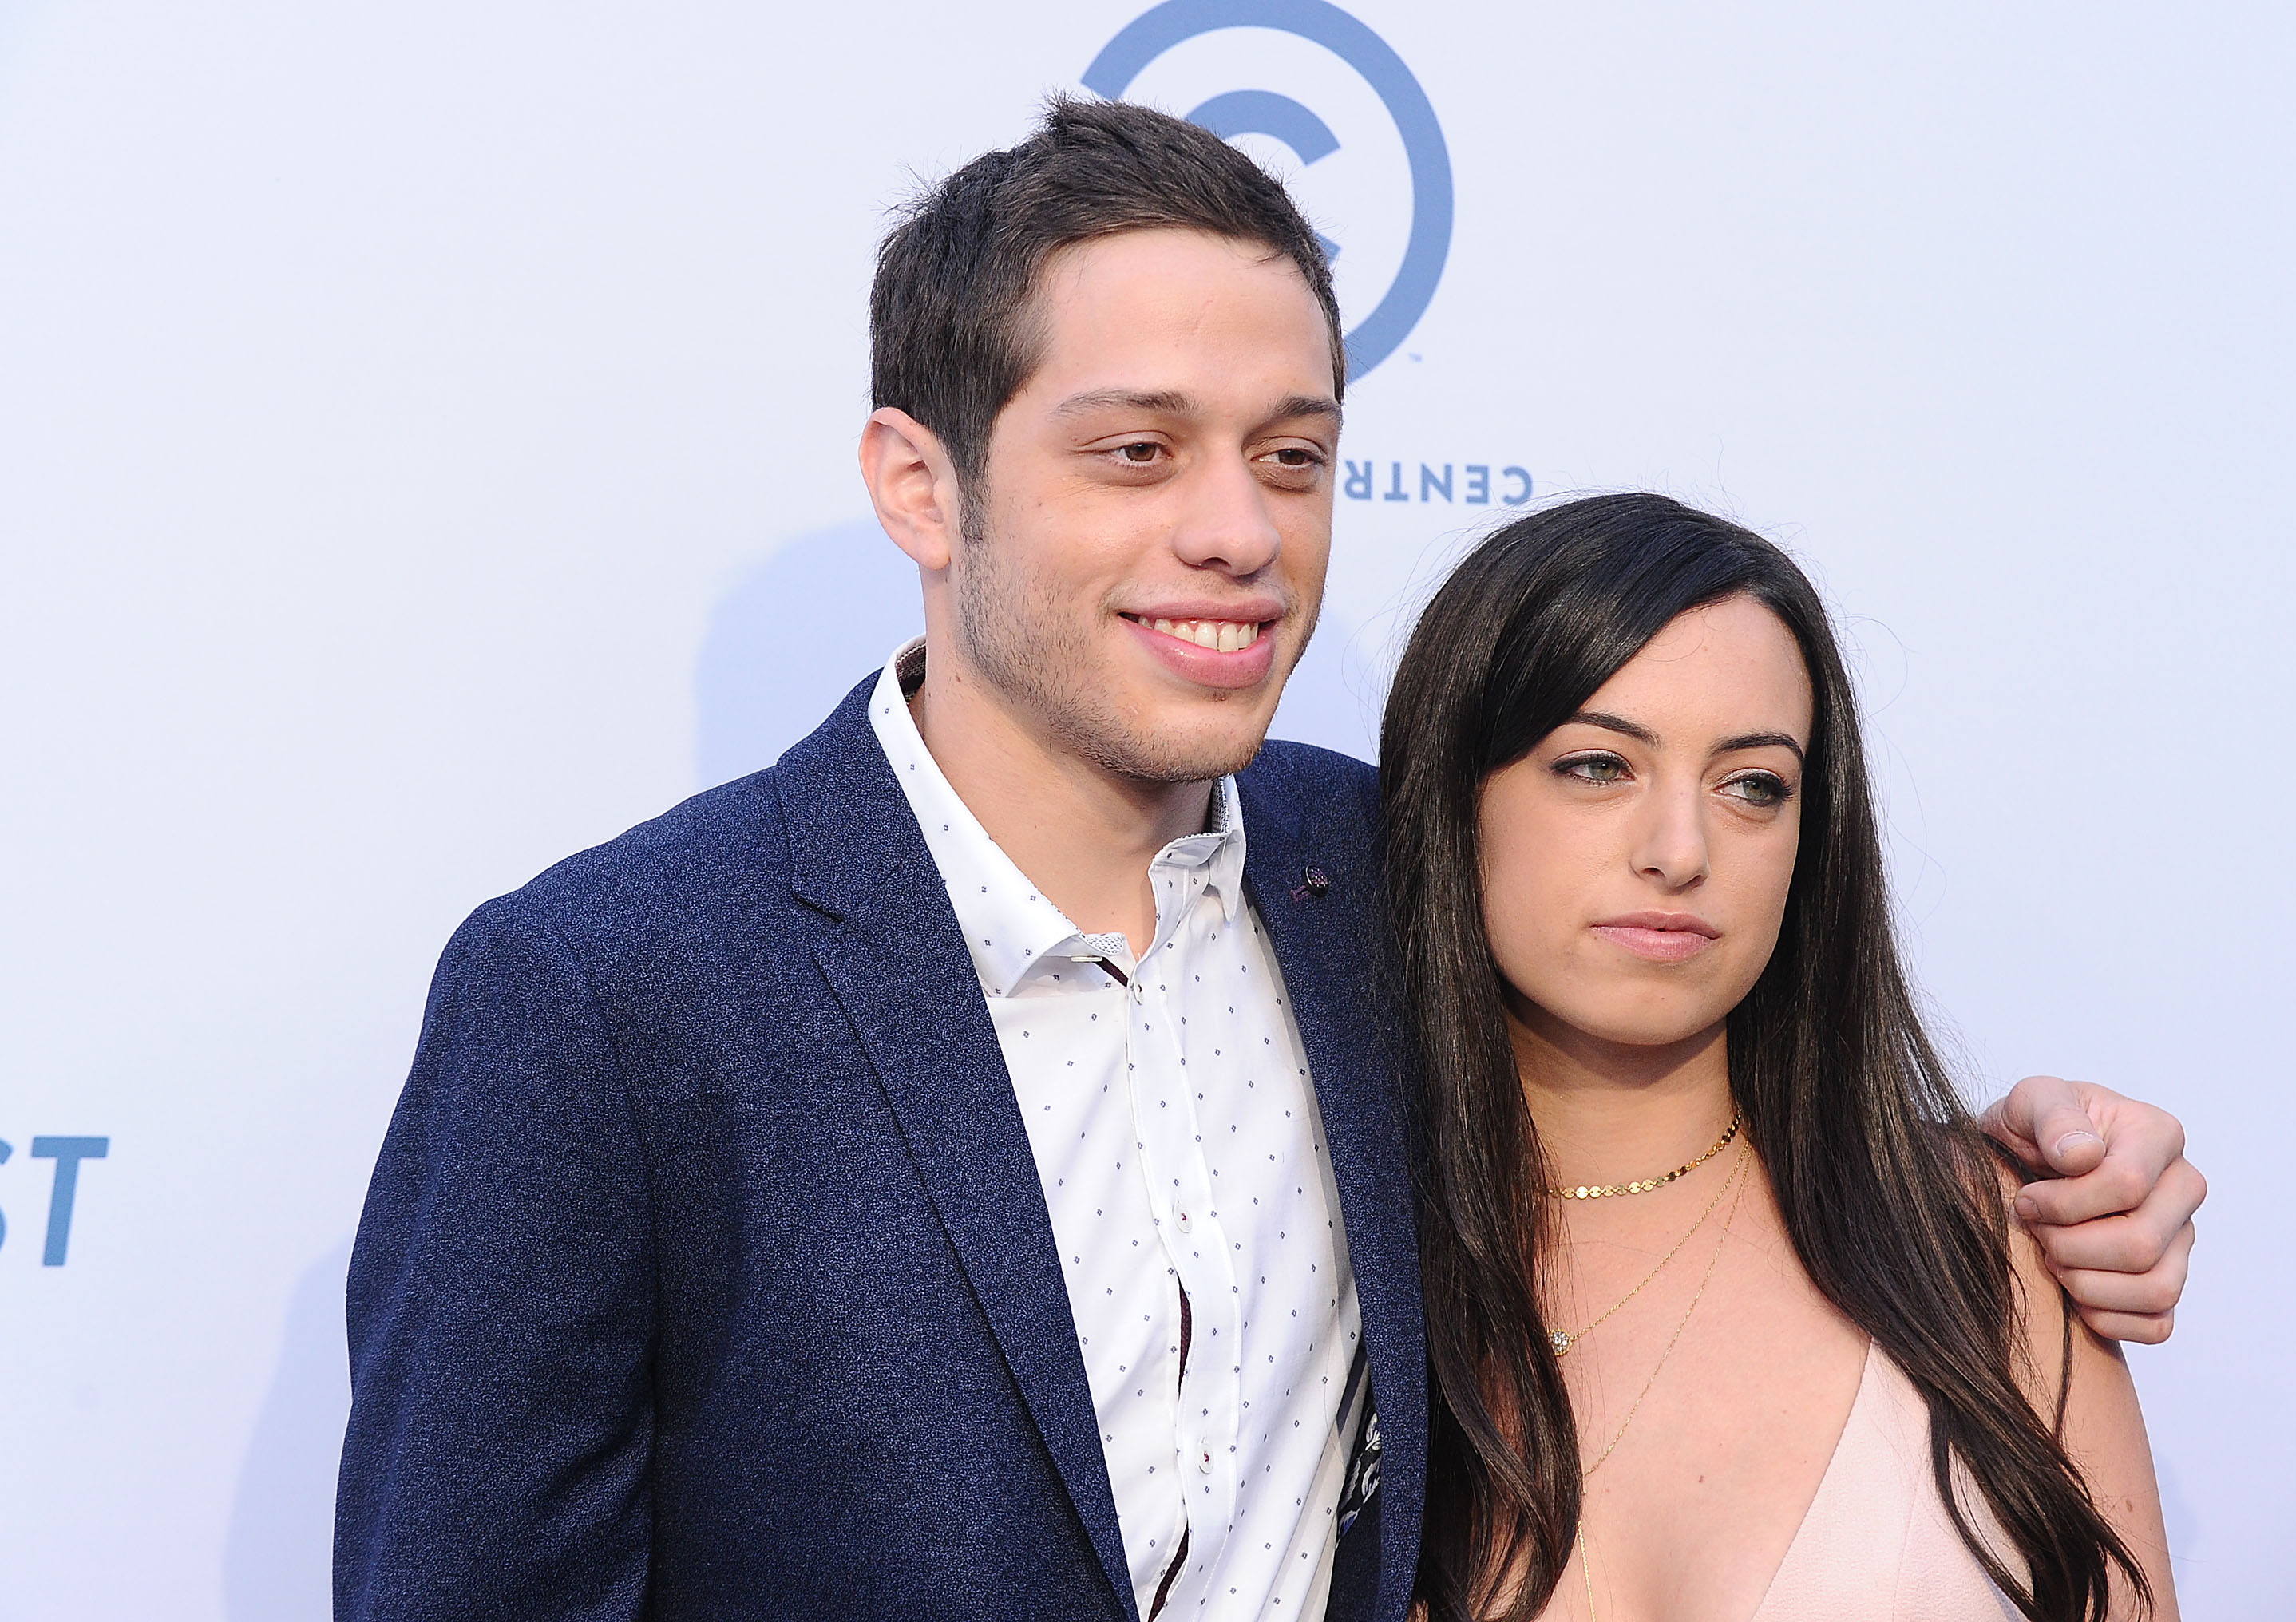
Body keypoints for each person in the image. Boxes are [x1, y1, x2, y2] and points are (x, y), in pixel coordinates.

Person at [334, 101, 2201, 1622]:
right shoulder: (606, 989)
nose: (1237, 530)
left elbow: (1696, 1021)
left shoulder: (1383, 875)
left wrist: (2052, 1158)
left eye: (1291, 456)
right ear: (919, 484)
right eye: (1137, 452)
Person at [1380, 494, 2184, 1621]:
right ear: (1453, 798)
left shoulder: (1985, 1249)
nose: (1680, 851)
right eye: (1600, 766)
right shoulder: (1328, 1267)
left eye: (1752, 785)